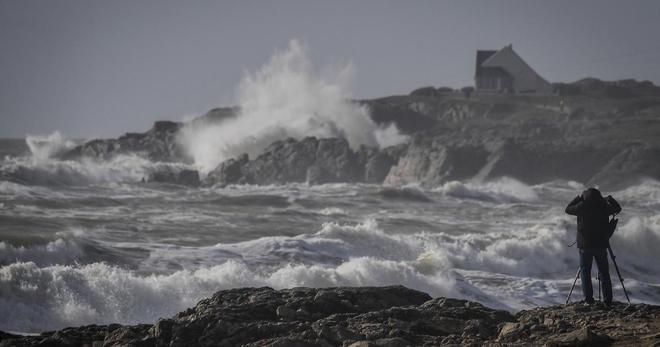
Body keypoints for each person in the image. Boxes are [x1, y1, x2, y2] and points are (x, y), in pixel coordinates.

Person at [565, 187, 621, 305]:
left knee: (585, 272)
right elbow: (618, 208)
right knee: (604, 272)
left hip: (585, 246)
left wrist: (578, 198)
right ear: (599, 197)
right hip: (601, 245)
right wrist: (609, 198)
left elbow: (568, 209)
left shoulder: (582, 206)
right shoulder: (604, 207)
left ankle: (588, 300)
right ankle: (607, 301)